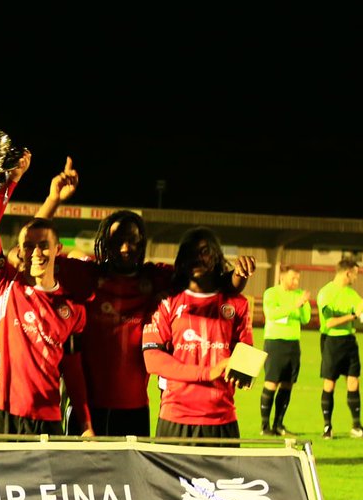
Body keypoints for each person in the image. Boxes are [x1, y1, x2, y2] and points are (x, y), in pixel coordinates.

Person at [36, 158, 254, 436]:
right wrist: (53, 200)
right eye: (118, 241)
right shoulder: (86, 276)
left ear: (142, 244)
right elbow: (33, 249)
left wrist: (238, 275)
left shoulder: (156, 278)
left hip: (136, 409)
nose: (126, 247)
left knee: (131, 480)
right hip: (87, 409)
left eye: (134, 240)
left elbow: (208, 278)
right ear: (104, 243)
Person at [0, 151, 92, 436]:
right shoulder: (4, 285)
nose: (36, 253)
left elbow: (73, 371)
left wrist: (86, 426)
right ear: (20, 251)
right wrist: (10, 182)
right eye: (28, 246)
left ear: (57, 250)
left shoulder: (72, 309)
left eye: (43, 246)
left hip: (47, 419)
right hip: (0, 414)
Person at [141, 227, 253, 443]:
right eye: (191, 252)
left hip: (222, 419)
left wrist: (243, 371)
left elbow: (246, 354)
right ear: (182, 258)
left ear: (217, 256)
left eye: (204, 251)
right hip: (176, 418)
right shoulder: (166, 301)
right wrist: (208, 372)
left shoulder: (237, 304)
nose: (198, 258)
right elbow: (152, 360)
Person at [316, 259, 363, 439]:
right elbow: (329, 322)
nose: (356, 277)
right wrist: (353, 314)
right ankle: (327, 427)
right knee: (330, 383)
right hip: (332, 342)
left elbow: (359, 321)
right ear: (347, 273)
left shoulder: (352, 294)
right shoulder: (326, 293)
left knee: (353, 382)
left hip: (350, 341)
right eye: (355, 273)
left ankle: (356, 426)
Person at [259, 267, 311, 436]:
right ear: (282, 278)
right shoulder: (271, 293)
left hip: (293, 344)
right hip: (275, 342)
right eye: (293, 278)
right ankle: (265, 426)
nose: (296, 282)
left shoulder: (300, 294)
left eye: (298, 279)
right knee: (271, 382)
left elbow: (306, 319)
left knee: (288, 384)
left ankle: (279, 424)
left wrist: (303, 305)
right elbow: (272, 314)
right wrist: (294, 304)